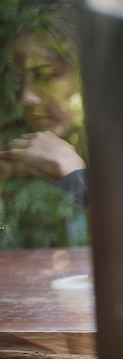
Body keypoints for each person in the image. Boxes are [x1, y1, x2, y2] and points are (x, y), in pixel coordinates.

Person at [0, 0, 88, 247]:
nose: (26, 98)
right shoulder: (20, 156)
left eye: (45, 75)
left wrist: (77, 177)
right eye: (19, 82)